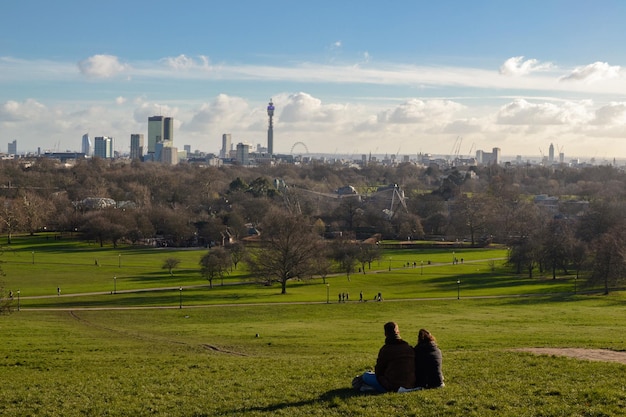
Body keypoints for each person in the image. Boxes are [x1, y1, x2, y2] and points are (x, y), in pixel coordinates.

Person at [358, 322, 416, 393]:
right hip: (410, 383)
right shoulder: (409, 348)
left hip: (392, 386)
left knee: (366, 376)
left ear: (385, 334)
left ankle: (370, 387)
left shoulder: (386, 350)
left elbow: (379, 371)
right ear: (398, 332)